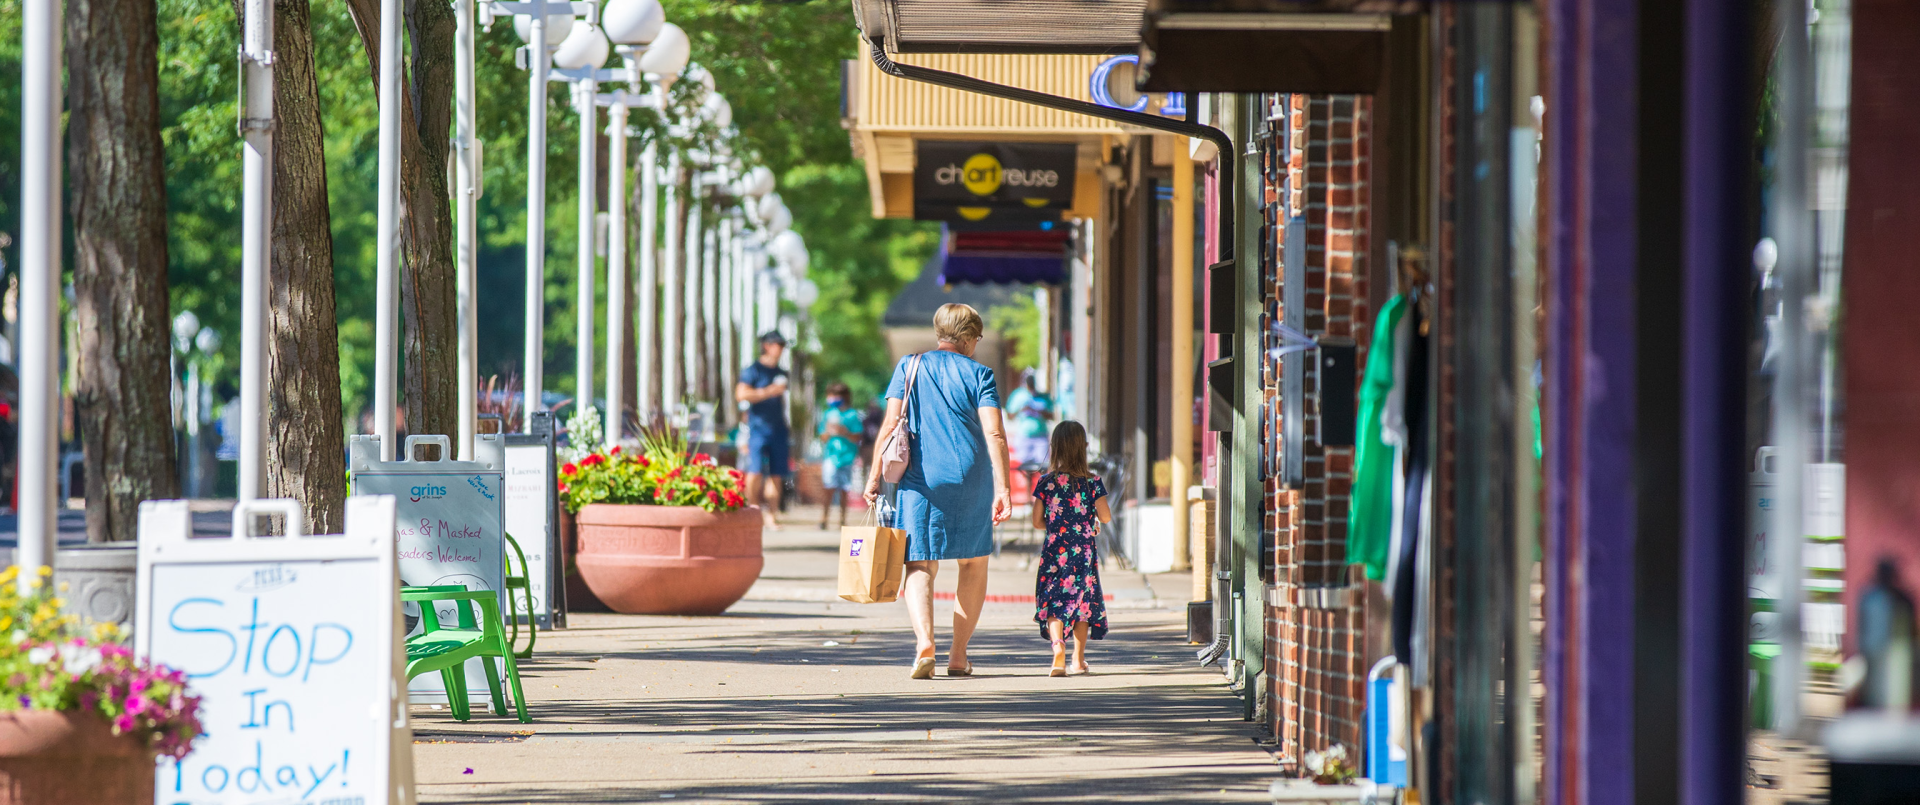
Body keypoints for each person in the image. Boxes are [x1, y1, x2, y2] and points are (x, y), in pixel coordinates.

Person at [864, 303, 1013, 679]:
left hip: (920, 480)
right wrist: (1004, 488)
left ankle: (924, 645)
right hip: (972, 477)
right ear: (967, 338)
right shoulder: (981, 374)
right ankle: (958, 655)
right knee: (973, 562)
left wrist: (874, 477)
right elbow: (994, 432)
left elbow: (890, 425)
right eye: (977, 338)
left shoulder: (909, 366)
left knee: (919, 562)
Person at [1028, 420, 1111, 676]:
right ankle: (1078, 658)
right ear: (1082, 448)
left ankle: (1057, 650)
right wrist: (1090, 522)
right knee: (1082, 601)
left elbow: (1036, 520)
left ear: (1055, 448)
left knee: (1054, 600)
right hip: (1083, 552)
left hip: (1055, 551)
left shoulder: (1046, 482)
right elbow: (1105, 517)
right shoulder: (1093, 482)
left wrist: (1056, 526)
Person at [734, 332, 791, 530]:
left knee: (777, 474)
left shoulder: (783, 372)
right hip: (757, 429)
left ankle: (771, 516)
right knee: (755, 472)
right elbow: (741, 394)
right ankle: (753, 511)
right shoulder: (753, 370)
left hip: (779, 429)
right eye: (778, 344)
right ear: (767, 346)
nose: (781, 349)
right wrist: (768, 391)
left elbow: (783, 401)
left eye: (783, 345)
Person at [815, 381, 863, 530]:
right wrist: (828, 432)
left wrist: (845, 432)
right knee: (828, 488)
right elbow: (822, 436)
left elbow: (858, 436)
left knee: (844, 489)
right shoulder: (828, 413)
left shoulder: (852, 415)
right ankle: (824, 518)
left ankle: (843, 519)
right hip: (831, 457)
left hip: (847, 457)